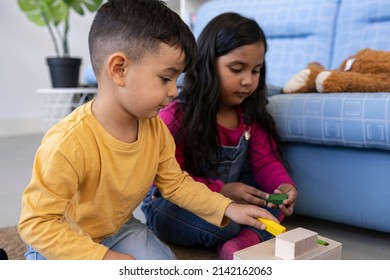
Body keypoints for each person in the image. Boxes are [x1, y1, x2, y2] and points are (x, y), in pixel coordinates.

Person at [17, 0, 279, 260]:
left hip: (118, 229)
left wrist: (228, 208)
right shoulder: (67, 142)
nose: (174, 91)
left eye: (176, 80)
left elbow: (176, 184)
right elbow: (37, 224)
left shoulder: (155, 129)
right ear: (119, 69)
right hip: (63, 238)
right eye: (166, 78)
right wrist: (104, 259)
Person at [142, 12, 298, 260]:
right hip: (171, 204)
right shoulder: (177, 116)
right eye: (236, 69)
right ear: (208, 64)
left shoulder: (250, 117)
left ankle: (239, 245)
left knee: (269, 208)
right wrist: (223, 191)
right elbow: (165, 180)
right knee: (227, 222)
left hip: (228, 204)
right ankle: (245, 237)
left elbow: (265, 161)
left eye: (256, 71)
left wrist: (283, 186)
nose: (248, 81)